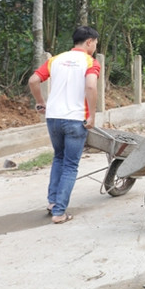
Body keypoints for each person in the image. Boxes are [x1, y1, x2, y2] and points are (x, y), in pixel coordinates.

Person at [28, 26, 101, 224]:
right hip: (75, 119)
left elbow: (34, 80)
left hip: (53, 118)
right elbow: (91, 86)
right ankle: (59, 212)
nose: (95, 46)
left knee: (59, 158)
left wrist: (41, 102)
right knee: (70, 165)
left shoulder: (55, 59)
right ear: (89, 42)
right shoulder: (90, 62)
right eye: (95, 43)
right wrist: (92, 115)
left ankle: (52, 202)